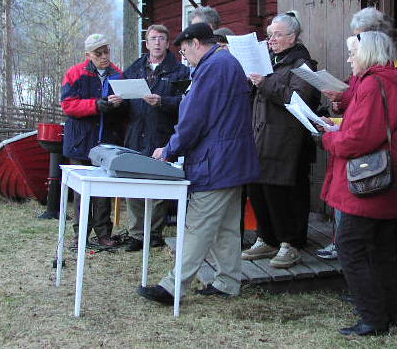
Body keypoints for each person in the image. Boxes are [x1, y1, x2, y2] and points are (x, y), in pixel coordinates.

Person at [138, 23, 260, 304]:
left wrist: (169, 149)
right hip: (231, 160)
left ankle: (172, 287)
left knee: (197, 226)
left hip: (216, 162)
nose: (184, 58)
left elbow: (194, 118)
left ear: (195, 43)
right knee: (226, 227)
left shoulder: (213, 66)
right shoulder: (226, 62)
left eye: (184, 51)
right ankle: (228, 282)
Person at [315, 31, 397, 336]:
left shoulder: (374, 83)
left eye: (353, 52)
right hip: (390, 177)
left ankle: (373, 319)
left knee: (350, 248)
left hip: (370, 180)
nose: (349, 58)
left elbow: (359, 138)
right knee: (382, 248)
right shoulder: (393, 81)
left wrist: (327, 138)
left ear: (369, 53)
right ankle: (390, 314)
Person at [241, 11, 320, 269]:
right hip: (259, 136)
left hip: (287, 141)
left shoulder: (302, 64)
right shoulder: (270, 60)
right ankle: (266, 238)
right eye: (270, 33)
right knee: (258, 190)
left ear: (292, 37)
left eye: (277, 34)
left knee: (283, 192)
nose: (271, 39)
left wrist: (264, 83)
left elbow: (297, 98)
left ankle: (290, 243)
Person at [116, 24, 190, 252]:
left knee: (158, 186)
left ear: (168, 44)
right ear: (146, 44)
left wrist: (163, 102)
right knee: (133, 183)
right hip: (136, 134)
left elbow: (186, 104)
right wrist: (117, 102)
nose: (157, 43)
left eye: (161, 38)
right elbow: (125, 99)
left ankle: (154, 233)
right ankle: (136, 234)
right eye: (153, 39)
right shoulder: (135, 69)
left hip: (162, 134)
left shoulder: (179, 72)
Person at [60, 33, 125, 248]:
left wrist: (119, 105)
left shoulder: (118, 75)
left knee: (104, 191)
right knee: (81, 193)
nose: (104, 56)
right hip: (81, 141)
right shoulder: (75, 74)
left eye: (106, 51)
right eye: (99, 53)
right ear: (88, 55)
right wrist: (96, 106)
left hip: (107, 141)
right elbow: (68, 105)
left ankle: (104, 233)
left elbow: (128, 107)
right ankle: (80, 235)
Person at [350, 7, 397, 84]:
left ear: (376, 34)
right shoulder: (364, 56)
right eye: (356, 36)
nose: (357, 41)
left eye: (360, 37)